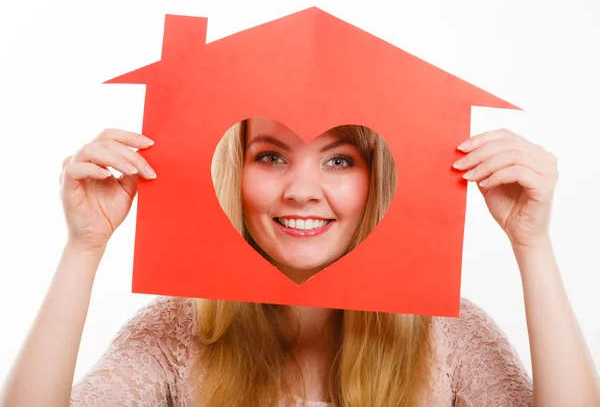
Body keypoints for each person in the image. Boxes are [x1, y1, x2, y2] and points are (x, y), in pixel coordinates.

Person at [1, 117, 599, 407]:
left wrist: (532, 245)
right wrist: (84, 247)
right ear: (236, 176)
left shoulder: (446, 328)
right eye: (270, 156)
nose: (302, 191)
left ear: (376, 181)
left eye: (339, 161)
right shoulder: (178, 329)